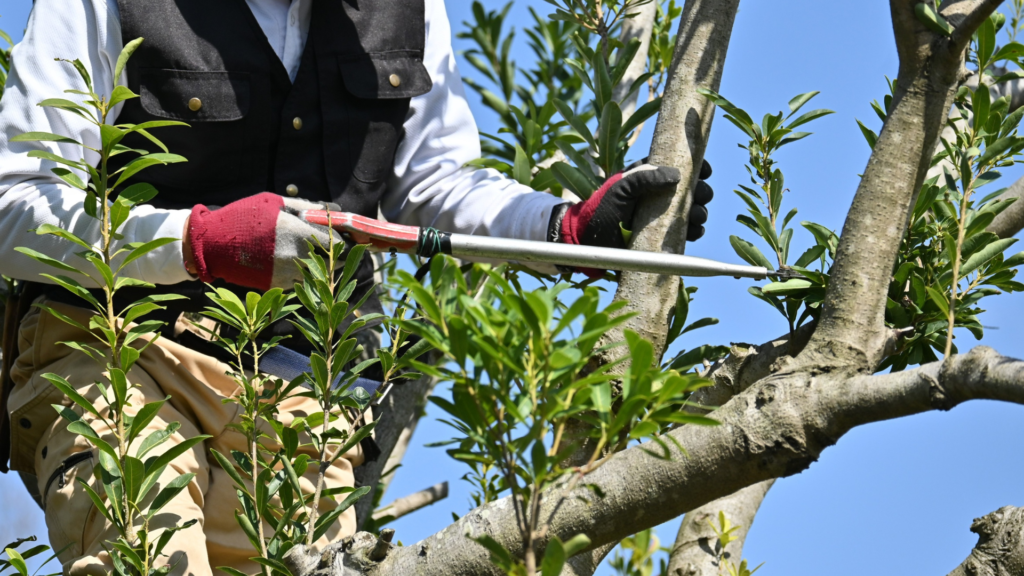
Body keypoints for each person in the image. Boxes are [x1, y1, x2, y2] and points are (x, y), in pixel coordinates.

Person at [0, 0, 714, 575]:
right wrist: (199, 241)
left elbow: (436, 183)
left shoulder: (407, 9)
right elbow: (13, 207)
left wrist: (566, 228)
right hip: (118, 354)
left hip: (304, 401)